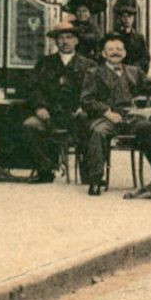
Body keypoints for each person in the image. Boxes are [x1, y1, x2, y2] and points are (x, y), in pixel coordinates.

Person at [78, 33, 151, 196]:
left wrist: (146, 104)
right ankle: (95, 180)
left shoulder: (134, 71)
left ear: (125, 53)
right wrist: (107, 112)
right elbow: (86, 100)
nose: (115, 52)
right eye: (111, 49)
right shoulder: (94, 73)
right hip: (106, 117)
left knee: (150, 128)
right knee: (99, 133)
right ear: (103, 54)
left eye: (119, 49)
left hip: (132, 118)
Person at [23, 19, 96, 184]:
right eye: (61, 38)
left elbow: (94, 91)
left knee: (90, 125)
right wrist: (40, 106)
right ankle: (45, 170)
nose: (65, 41)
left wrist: (84, 107)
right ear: (56, 41)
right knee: (30, 125)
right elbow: (33, 87)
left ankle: (89, 173)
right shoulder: (45, 63)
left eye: (69, 37)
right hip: (51, 116)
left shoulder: (89, 65)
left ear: (76, 40)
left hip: (77, 116)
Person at [111, 3, 150, 80]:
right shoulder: (113, 36)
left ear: (133, 18)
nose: (127, 19)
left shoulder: (139, 37)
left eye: (129, 16)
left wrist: (134, 68)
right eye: (124, 16)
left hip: (134, 74)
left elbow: (145, 58)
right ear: (120, 18)